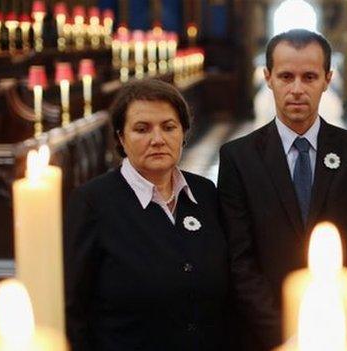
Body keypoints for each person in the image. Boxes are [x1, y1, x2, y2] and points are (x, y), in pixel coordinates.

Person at [218, 29, 347, 350]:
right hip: (265, 337)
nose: (297, 89)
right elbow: (240, 262)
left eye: (309, 77)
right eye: (286, 76)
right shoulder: (238, 159)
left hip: (345, 334)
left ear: (327, 79)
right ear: (268, 77)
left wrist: (336, 330)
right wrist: (288, 334)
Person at [64, 79, 229, 350]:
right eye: (142, 129)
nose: (157, 139)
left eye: (169, 127)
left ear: (183, 132)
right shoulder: (92, 202)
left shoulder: (204, 192)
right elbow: (74, 309)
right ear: (120, 137)